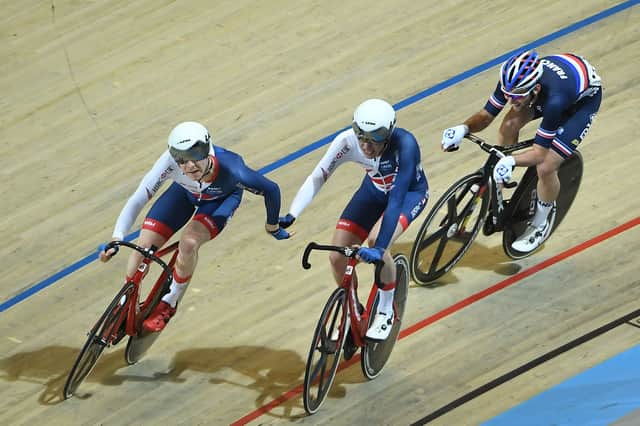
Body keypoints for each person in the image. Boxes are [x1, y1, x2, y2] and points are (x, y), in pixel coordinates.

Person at [100, 121, 291, 332]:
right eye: (181, 160)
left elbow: (271, 190)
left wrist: (272, 226)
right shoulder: (169, 163)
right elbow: (138, 199)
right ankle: (125, 303)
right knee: (142, 247)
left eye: (195, 157)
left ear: (208, 150)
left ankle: (170, 301)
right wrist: (117, 237)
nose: (189, 166)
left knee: (189, 243)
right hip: (183, 194)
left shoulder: (233, 169)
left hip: (219, 201)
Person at [279, 99, 429, 343]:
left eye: (375, 138)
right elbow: (319, 176)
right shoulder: (346, 141)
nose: (367, 146)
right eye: (362, 136)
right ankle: (353, 309)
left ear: (390, 132)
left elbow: (396, 199)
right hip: (373, 191)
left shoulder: (406, 144)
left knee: (376, 240)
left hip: (408, 195)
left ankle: (385, 309)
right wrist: (293, 213)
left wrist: (379, 248)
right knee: (337, 256)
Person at [441, 49, 602, 252]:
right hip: (556, 82)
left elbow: (540, 153)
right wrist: (463, 128)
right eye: (507, 95)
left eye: (516, 97)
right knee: (508, 125)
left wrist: (511, 161)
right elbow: (486, 116)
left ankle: (542, 222)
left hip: (581, 104)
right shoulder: (512, 81)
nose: (510, 101)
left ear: (534, 90)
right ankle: (501, 178)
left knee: (546, 166)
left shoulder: (555, 100)